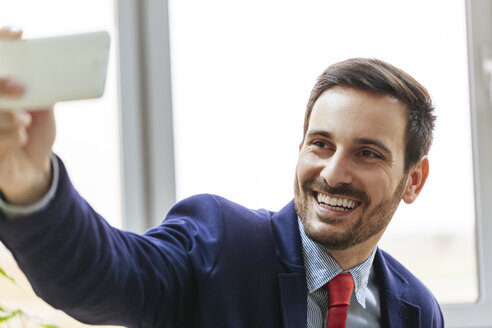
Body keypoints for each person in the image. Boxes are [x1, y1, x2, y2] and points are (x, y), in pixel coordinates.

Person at [0, 28, 443, 327]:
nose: (332, 172)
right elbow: (102, 275)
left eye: (366, 153)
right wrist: (30, 181)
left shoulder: (418, 311)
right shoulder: (221, 242)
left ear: (413, 181)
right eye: (320, 144)